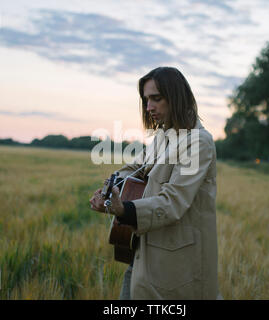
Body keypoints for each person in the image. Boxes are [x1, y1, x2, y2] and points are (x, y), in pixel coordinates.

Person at [90, 66, 220, 300]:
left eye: (156, 99)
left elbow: (172, 202)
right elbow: (135, 168)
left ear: (176, 97)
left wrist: (124, 209)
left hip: (175, 266)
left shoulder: (199, 142)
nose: (148, 107)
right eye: (146, 100)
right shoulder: (164, 136)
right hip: (142, 253)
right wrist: (111, 191)